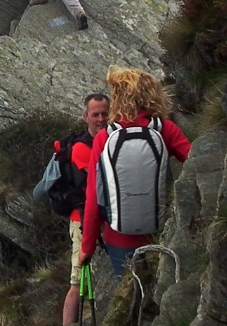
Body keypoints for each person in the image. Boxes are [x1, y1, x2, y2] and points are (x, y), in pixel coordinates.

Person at [80, 67, 191, 277]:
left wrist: (87, 247)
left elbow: (94, 196)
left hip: (118, 237)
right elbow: (197, 163)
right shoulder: (165, 129)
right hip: (159, 232)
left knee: (129, 302)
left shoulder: (105, 137)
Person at [61, 93, 110, 326]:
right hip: (81, 220)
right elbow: (103, 181)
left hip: (103, 217)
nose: (101, 119)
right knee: (77, 281)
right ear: (85, 117)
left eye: (104, 114)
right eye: (95, 115)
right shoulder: (81, 148)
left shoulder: (109, 140)